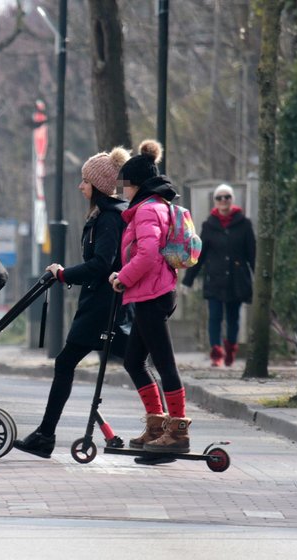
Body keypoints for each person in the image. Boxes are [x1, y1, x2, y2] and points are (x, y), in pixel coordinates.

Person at [14, 146, 131, 458]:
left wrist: (64, 274)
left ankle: (45, 435)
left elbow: (102, 264)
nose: (80, 186)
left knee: (68, 363)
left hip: (102, 307)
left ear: (97, 186)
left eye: (84, 181)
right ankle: (45, 434)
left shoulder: (108, 219)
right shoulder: (107, 216)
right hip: (102, 303)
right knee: (136, 361)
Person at [109, 139, 192, 454]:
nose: (123, 193)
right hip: (152, 292)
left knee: (164, 364)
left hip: (151, 294)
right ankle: (157, 424)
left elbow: (147, 255)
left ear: (137, 185)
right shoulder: (155, 207)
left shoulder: (146, 211)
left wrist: (122, 278)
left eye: (125, 187)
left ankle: (178, 431)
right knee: (133, 361)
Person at [181, 183, 256, 367]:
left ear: (232, 200)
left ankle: (230, 348)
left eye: (227, 197)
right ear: (215, 201)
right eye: (219, 198)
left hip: (236, 280)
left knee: (233, 317)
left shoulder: (244, 224)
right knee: (214, 317)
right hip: (214, 279)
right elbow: (199, 254)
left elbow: (252, 254)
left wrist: (259, 281)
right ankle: (216, 352)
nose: (223, 201)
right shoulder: (209, 225)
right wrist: (187, 281)